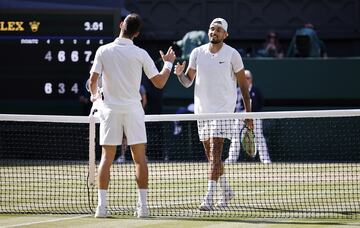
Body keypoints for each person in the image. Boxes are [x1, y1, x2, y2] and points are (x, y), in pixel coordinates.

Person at [89, 13, 176, 218]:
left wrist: (95, 97)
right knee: (139, 159)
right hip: (133, 110)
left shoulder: (103, 50)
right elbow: (160, 82)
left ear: (121, 25)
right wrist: (169, 63)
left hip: (110, 110)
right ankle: (143, 208)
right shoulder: (141, 54)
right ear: (136, 33)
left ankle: (101, 208)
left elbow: (93, 81)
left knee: (106, 158)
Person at [174, 18, 253, 211]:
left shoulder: (233, 54)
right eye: (211, 29)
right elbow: (187, 82)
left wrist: (248, 113)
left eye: (218, 30)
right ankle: (226, 190)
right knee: (212, 158)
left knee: (215, 152)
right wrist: (179, 74)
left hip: (224, 111)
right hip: (202, 113)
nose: (213, 32)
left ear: (225, 34)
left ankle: (208, 197)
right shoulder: (196, 53)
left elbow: (243, 87)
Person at [226, 70, 271, 164]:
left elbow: (261, 103)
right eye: (244, 78)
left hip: (255, 117)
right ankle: (231, 159)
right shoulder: (237, 91)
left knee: (259, 137)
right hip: (240, 117)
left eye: (248, 78)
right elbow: (236, 105)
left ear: (251, 79)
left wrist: (252, 114)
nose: (246, 80)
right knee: (235, 137)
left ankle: (265, 159)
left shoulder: (256, 90)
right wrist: (242, 113)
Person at [115, 84, 147, 164]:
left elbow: (144, 100)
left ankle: (143, 156)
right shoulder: (123, 85)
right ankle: (122, 156)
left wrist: (139, 112)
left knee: (140, 137)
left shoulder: (141, 87)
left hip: (137, 115)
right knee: (125, 138)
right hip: (125, 115)